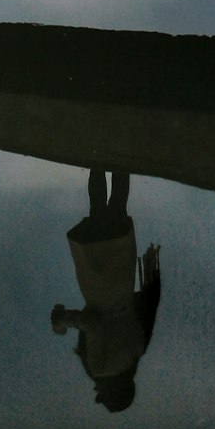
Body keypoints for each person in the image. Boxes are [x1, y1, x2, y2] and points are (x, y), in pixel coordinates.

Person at [51, 169, 161, 414]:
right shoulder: (100, 368)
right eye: (102, 396)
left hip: (122, 278)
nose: (96, 392)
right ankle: (97, 157)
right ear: (112, 391)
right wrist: (62, 320)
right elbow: (93, 324)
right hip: (100, 282)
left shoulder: (137, 352)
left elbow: (137, 308)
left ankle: (119, 157)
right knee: (97, 207)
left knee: (118, 204)